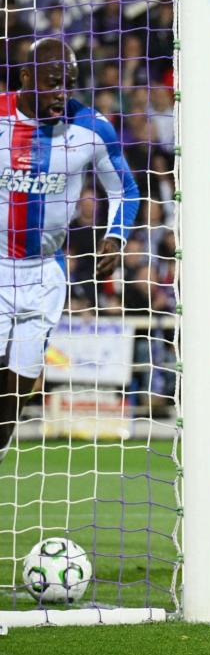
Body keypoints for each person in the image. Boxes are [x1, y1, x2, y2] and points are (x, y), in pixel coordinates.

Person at [0, 39, 141, 463]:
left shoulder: (93, 129)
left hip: (46, 271)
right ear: (26, 78)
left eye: (70, 84)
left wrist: (116, 235)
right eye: (53, 83)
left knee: (18, 386)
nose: (63, 93)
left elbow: (126, 190)